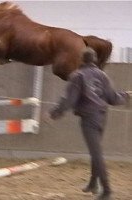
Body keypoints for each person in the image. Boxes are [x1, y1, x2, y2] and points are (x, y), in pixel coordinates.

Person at [48, 47, 131, 200]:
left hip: (88, 118)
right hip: (102, 116)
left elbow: (69, 99)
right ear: (94, 60)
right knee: (96, 150)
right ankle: (93, 183)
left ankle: (107, 190)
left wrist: (56, 112)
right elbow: (112, 98)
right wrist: (125, 96)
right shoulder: (102, 75)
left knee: (96, 153)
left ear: (82, 59)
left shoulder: (77, 76)